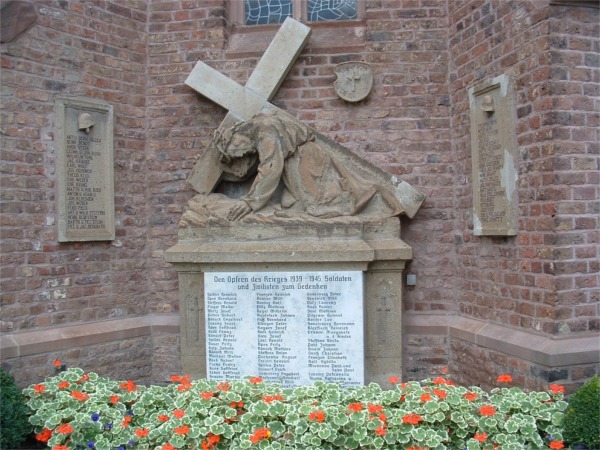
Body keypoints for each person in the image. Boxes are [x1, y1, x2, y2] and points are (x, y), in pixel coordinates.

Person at [213, 111, 403, 221]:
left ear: (234, 137)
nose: (242, 155)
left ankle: (378, 200)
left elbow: (270, 167)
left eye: (234, 152)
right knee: (300, 207)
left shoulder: (264, 128)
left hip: (306, 159)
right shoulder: (260, 127)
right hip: (295, 162)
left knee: (318, 208)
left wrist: (250, 201)